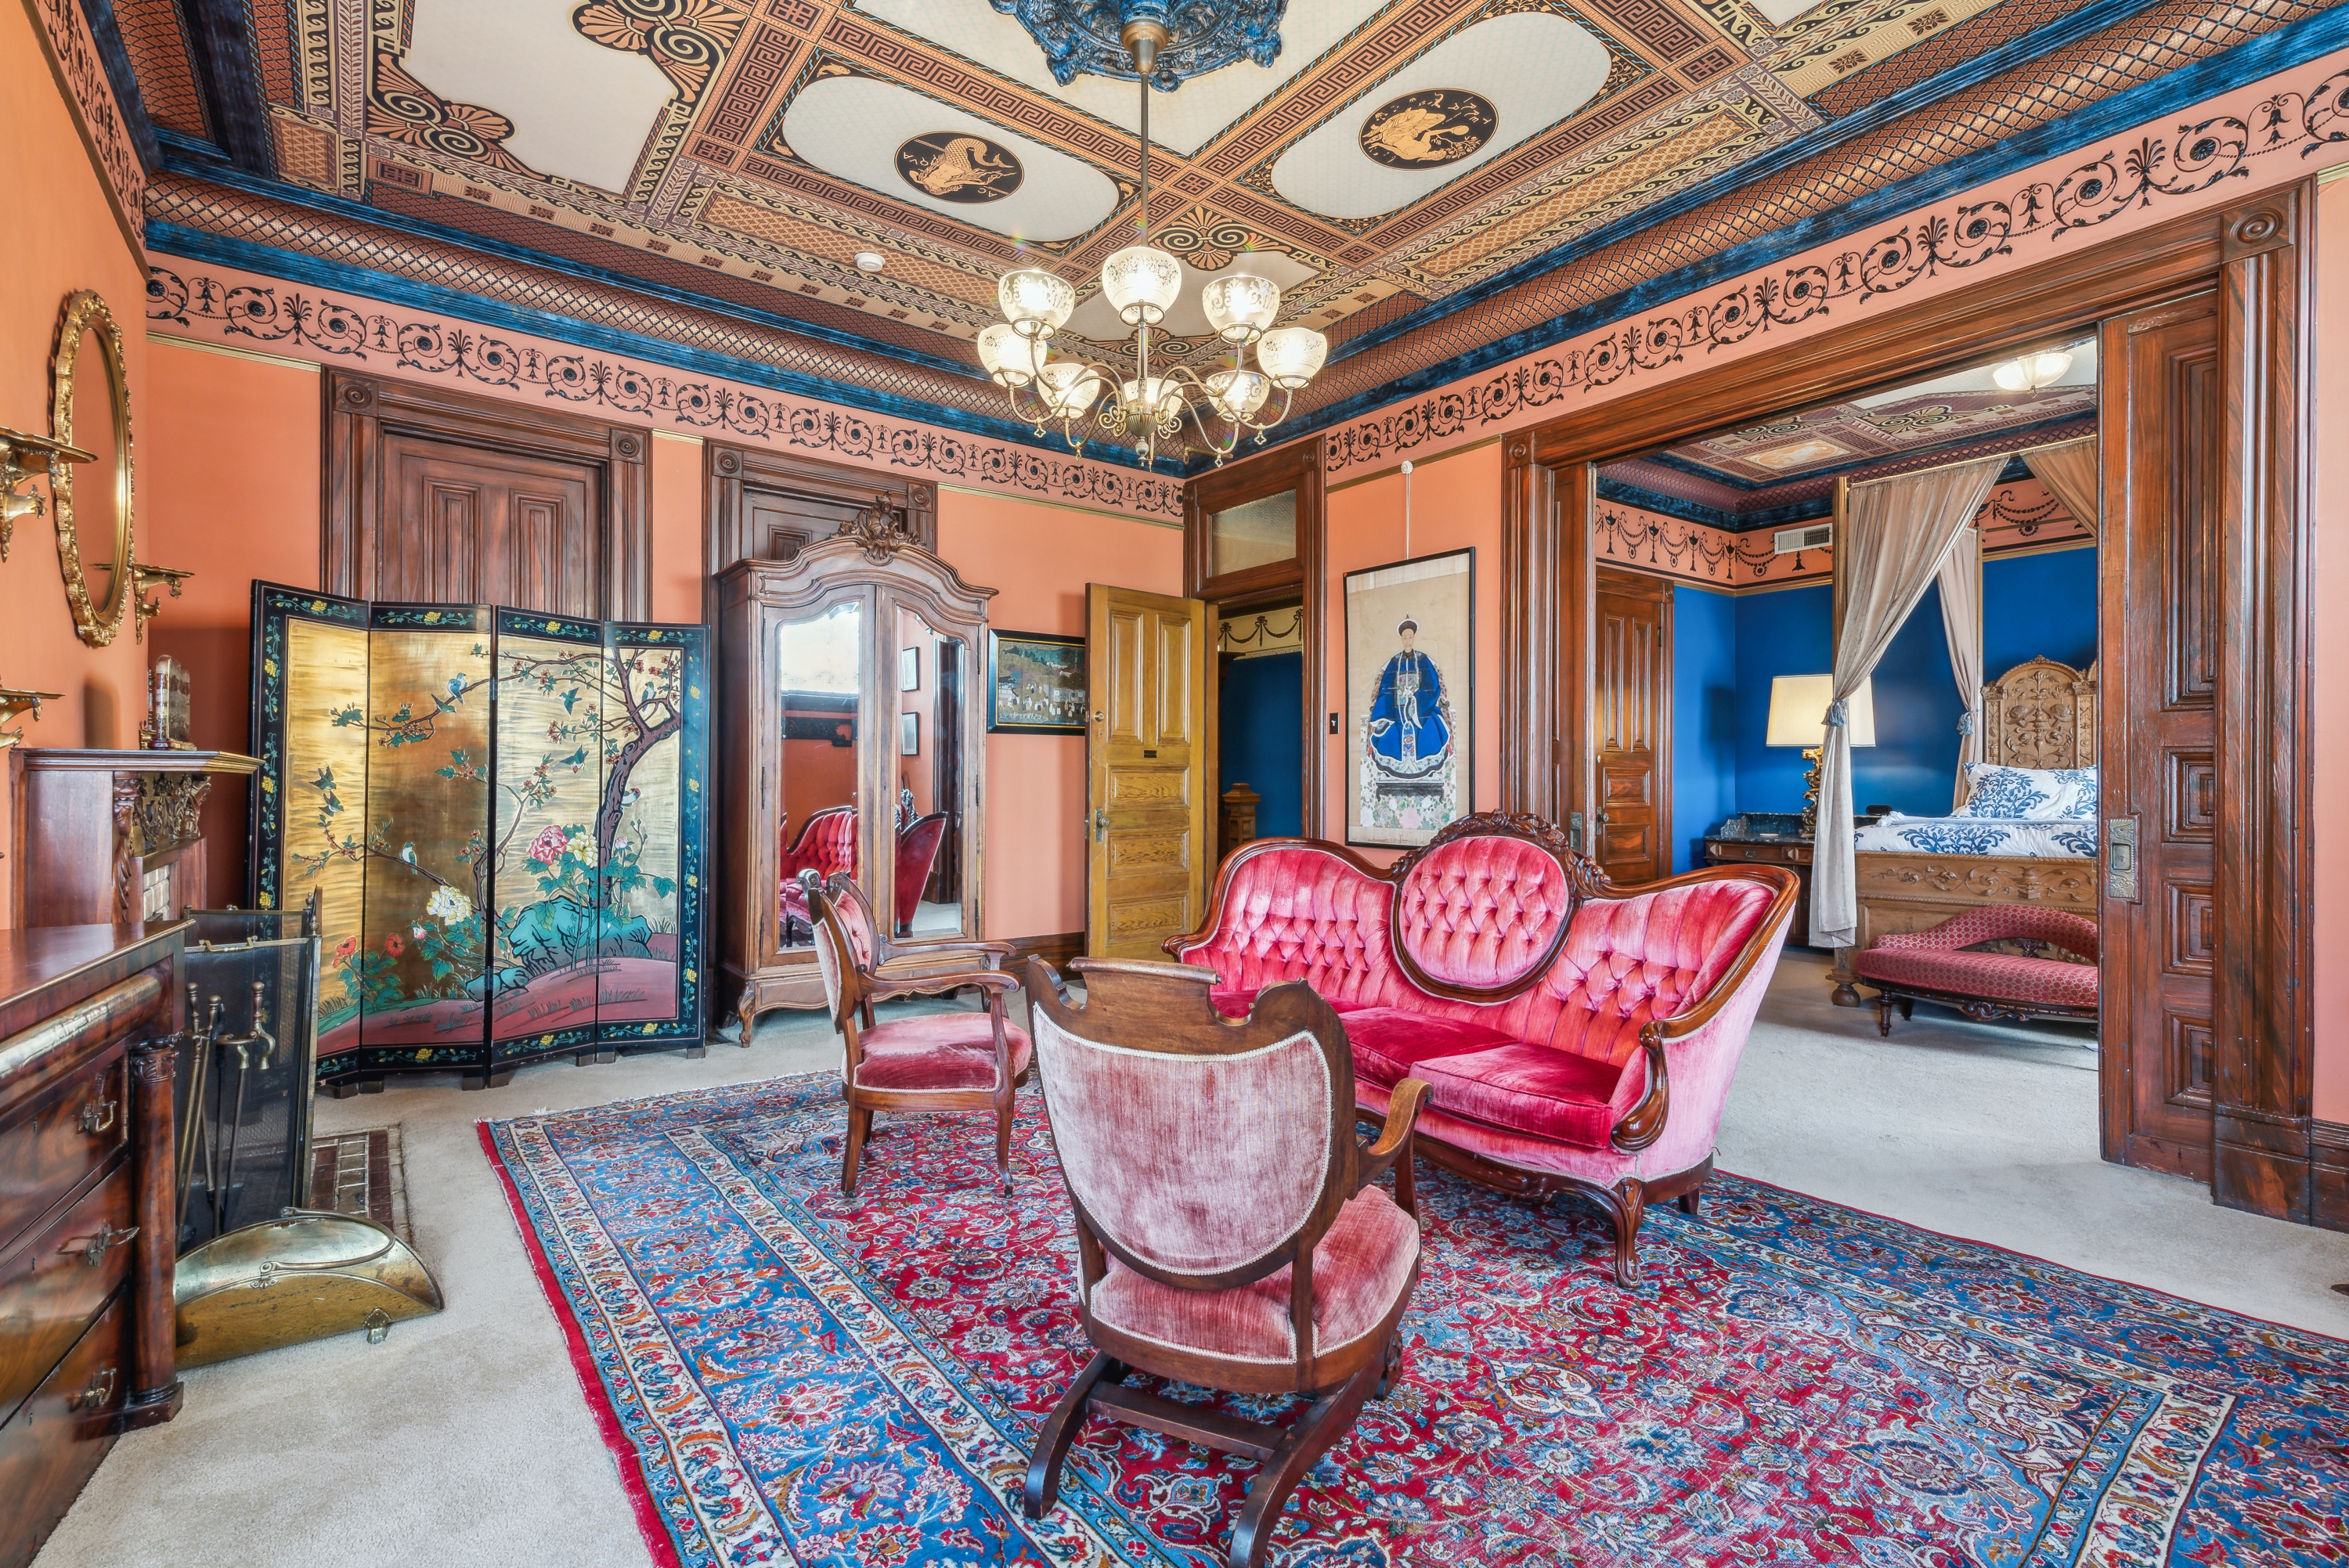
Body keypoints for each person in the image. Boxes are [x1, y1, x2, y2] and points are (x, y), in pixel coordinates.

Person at [1364, 616, 1450, 780]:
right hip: (1395, 710)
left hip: (1420, 709)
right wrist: (1386, 707)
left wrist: (1416, 700)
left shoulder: (1423, 660)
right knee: (1389, 734)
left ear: (1414, 638)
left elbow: (1432, 684)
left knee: (1430, 728)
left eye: (1410, 637)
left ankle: (1424, 770)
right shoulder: (1394, 662)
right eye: (1405, 637)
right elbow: (1386, 686)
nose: (1408, 641)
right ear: (1401, 639)